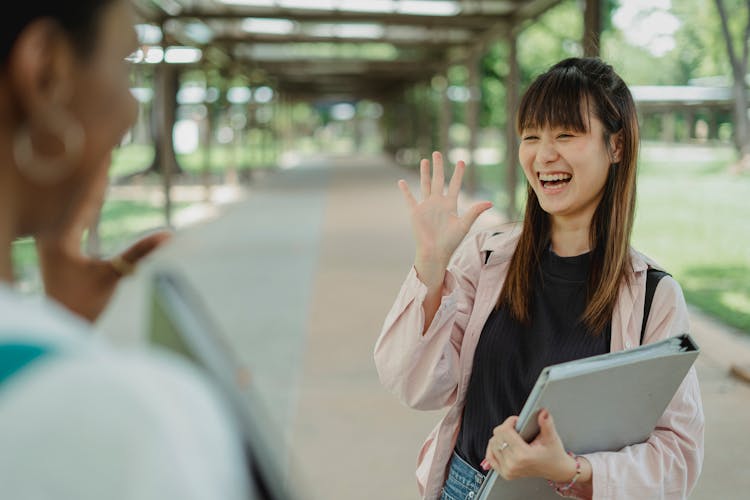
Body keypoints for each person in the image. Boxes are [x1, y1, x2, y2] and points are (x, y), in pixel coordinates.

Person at [374, 57, 704, 500]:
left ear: (617, 146)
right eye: (531, 136)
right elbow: (414, 385)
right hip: (465, 488)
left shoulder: (652, 296)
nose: (544, 155)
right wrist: (430, 270)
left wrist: (573, 471)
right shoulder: (487, 258)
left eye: (566, 135)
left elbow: (678, 454)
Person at [0, 2, 252, 498]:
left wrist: (57, 322)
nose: (131, 108)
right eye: (127, 65)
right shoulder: (122, 417)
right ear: (46, 70)